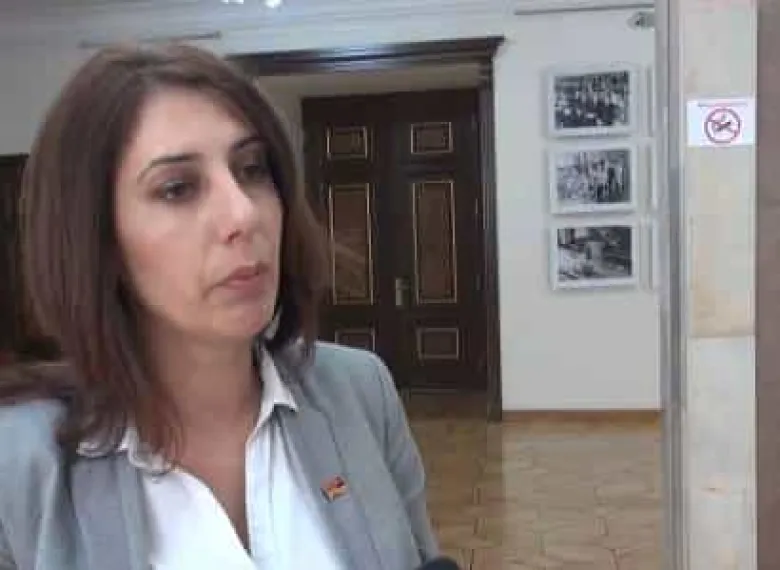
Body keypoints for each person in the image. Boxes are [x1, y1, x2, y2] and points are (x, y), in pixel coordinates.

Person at [0, 44, 438, 570]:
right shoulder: (18, 464)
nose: (243, 213)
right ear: (96, 238)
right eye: (177, 188)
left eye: (252, 169)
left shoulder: (360, 390)